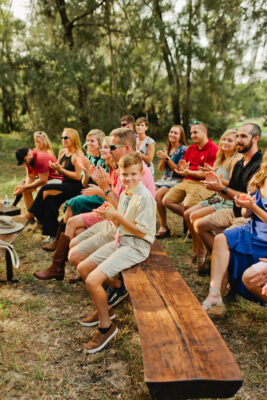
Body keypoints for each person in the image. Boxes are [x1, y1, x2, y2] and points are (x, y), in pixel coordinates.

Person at [33, 128, 155, 282]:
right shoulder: (124, 167)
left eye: (112, 147)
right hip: (117, 224)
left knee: (73, 223)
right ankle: (70, 267)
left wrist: (104, 190)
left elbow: (123, 213)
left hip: (127, 234)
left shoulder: (134, 173)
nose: (108, 150)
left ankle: (96, 277)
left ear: (127, 149)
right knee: (75, 230)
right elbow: (118, 202)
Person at [75, 153, 156, 353]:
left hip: (136, 245)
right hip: (123, 239)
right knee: (82, 267)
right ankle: (106, 311)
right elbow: (121, 215)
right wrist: (109, 212)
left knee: (93, 280)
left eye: (132, 174)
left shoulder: (144, 197)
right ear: (119, 174)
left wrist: (116, 215)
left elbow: (142, 231)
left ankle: (106, 328)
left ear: (141, 173)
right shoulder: (129, 191)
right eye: (124, 174)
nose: (128, 178)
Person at [201, 152, 267, 318]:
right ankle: (216, 295)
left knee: (228, 246)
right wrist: (246, 206)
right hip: (252, 228)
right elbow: (246, 213)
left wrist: (254, 207)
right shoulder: (260, 178)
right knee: (221, 239)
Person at [193, 123, 263, 254]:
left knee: (222, 238)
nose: (238, 140)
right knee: (199, 225)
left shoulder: (259, 165)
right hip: (233, 210)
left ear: (255, 139)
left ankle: (223, 261)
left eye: (243, 136)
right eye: (237, 136)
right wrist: (217, 187)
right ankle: (217, 257)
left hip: (250, 218)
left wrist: (222, 188)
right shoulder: (240, 162)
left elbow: (247, 198)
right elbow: (229, 194)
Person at [183, 128, 242, 271]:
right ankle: (199, 248)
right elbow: (215, 176)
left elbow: (233, 184)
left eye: (230, 140)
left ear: (236, 144)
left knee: (194, 216)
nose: (225, 142)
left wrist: (217, 180)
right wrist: (210, 173)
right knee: (187, 214)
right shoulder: (221, 157)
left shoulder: (236, 160)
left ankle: (206, 254)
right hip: (217, 196)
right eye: (224, 139)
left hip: (227, 199)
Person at [42, 130, 107, 251]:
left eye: (92, 141)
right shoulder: (88, 157)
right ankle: (61, 243)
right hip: (88, 191)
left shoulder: (104, 159)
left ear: (100, 143)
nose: (88, 143)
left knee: (71, 203)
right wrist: (86, 173)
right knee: (67, 205)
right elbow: (84, 183)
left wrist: (88, 168)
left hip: (100, 194)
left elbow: (103, 184)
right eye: (87, 140)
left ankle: (61, 246)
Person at [23, 128, 83, 243]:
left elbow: (77, 176)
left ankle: (29, 214)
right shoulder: (62, 152)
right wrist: (54, 168)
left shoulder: (78, 154)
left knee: (45, 188)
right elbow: (58, 172)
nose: (63, 140)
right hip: (64, 184)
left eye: (66, 137)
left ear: (73, 138)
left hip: (75, 187)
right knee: (50, 201)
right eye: (62, 137)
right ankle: (53, 233)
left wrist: (61, 170)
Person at [162, 121, 218, 226]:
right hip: (186, 181)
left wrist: (189, 172)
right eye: (191, 133)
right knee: (166, 201)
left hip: (203, 183)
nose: (192, 135)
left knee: (187, 205)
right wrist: (182, 169)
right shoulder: (191, 148)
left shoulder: (214, 149)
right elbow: (183, 169)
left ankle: (194, 224)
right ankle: (193, 219)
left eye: (195, 132)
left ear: (204, 132)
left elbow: (208, 175)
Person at [155, 125, 187, 238]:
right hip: (165, 179)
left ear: (180, 136)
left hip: (176, 179)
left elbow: (179, 171)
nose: (172, 135)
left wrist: (167, 158)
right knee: (150, 193)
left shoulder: (183, 150)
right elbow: (161, 168)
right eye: (171, 132)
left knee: (157, 195)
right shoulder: (168, 148)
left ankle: (164, 226)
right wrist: (164, 158)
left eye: (175, 133)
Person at [14, 145, 62, 210]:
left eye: (25, 161)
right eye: (23, 162)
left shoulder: (40, 158)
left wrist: (25, 187)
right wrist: (24, 187)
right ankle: (30, 217)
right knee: (25, 190)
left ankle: (42, 215)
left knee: (40, 189)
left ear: (29, 154)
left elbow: (43, 180)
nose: (25, 163)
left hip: (58, 179)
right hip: (47, 179)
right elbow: (30, 176)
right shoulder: (29, 160)